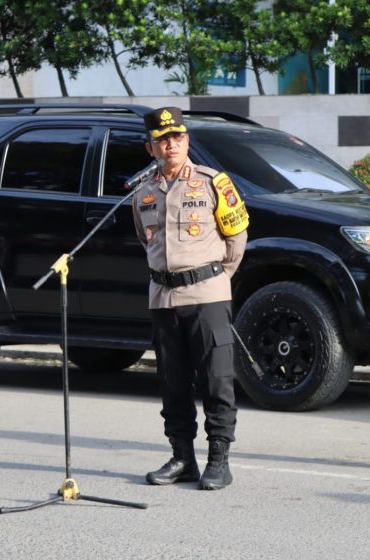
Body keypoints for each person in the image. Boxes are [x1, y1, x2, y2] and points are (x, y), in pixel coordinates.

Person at [131, 107, 249, 490]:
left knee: (217, 380)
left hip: (207, 295)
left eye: (178, 137)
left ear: (188, 141)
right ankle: (183, 457)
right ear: (150, 148)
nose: (172, 145)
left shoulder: (213, 182)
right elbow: (144, 241)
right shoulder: (143, 193)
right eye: (163, 139)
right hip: (163, 297)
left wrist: (213, 279)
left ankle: (219, 459)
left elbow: (236, 240)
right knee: (172, 382)